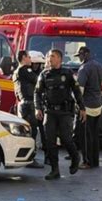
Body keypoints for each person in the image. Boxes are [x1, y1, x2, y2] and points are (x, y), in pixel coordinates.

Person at [34, 49, 86, 180]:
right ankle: (54, 169)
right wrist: (37, 108)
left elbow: (76, 91)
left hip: (65, 112)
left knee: (66, 138)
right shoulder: (44, 74)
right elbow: (37, 93)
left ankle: (75, 157)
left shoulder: (67, 73)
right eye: (48, 56)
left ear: (59, 59)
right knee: (50, 141)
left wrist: (82, 108)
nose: (49, 59)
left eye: (52, 56)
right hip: (49, 112)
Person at [75, 46, 102, 169]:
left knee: (85, 136)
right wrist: (98, 86)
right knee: (94, 135)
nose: (79, 58)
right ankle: (95, 161)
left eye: (79, 56)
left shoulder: (84, 69)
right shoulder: (98, 65)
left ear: (84, 55)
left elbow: (80, 90)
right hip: (98, 104)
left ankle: (87, 161)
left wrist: (78, 106)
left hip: (87, 106)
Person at [13, 50, 44, 169]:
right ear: (23, 57)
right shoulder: (24, 70)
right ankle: (30, 157)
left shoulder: (16, 71)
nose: (31, 60)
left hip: (23, 104)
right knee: (32, 132)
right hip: (29, 104)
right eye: (29, 57)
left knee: (26, 131)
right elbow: (38, 80)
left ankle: (26, 156)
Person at [29, 51, 49, 165]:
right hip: (31, 107)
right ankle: (30, 156)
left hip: (42, 106)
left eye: (38, 63)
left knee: (44, 132)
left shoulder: (43, 74)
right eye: (34, 63)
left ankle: (47, 156)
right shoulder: (26, 73)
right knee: (31, 133)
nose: (36, 65)